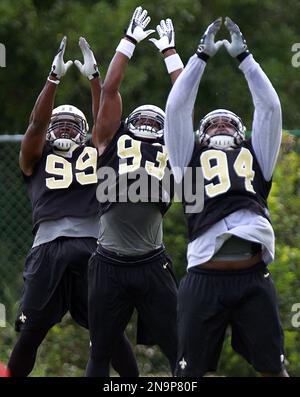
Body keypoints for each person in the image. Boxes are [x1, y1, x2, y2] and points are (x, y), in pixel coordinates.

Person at [165, 17, 289, 377]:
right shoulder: (186, 157)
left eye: (228, 123)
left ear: (241, 133)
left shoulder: (256, 155)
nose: (221, 125)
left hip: (253, 277)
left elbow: (269, 108)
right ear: (200, 136)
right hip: (204, 277)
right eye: (213, 123)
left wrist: (246, 59)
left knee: (274, 370)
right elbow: (176, 108)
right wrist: (200, 57)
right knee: (187, 376)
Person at [7, 36, 138, 377]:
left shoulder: (92, 150)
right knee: (30, 332)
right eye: (58, 123)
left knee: (107, 332)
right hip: (56, 246)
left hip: (86, 245)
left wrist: (95, 78)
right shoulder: (36, 153)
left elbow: (105, 120)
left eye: (71, 123)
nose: (63, 126)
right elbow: (37, 124)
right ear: (51, 131)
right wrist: (53, 80)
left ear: (83, 132)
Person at [86, 7, 184, 377]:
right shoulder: (108, 138)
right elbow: (109, 89)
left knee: (181, 349)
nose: (145, 122)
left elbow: (184, 102)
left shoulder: (172, 146)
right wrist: (127, 43)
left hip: (151, 262)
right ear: (126, 123)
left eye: (153, 119)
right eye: (139, 118)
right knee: (100, 353)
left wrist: (170, 53)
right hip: (109, 262)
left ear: (163, 128)